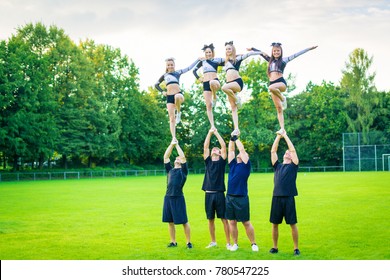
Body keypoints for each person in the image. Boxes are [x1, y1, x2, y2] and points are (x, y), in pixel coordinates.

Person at [248, 43, 318, 134]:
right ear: (272, 52)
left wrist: (309, 48)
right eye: (274, 51)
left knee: (270, 88)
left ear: (281, 52)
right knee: (279, 108)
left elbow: (297, 54)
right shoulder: (270, 60)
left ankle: (283, 98)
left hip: (281, 83)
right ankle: (282, 129)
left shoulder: (284, 60)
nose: (276, 52)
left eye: (278, 51)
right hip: (273, 85)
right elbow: (262, 53)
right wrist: (253, 48)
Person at [226, 131, 258, 252]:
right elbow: (231, 151)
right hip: (229, 197)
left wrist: (236, 139)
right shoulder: (233, 164)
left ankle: (253, 244)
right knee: (232, 222)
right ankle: (235, 244)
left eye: (243, 154)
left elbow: (242, 150)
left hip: (241, 197)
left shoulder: (246, 166)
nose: (240, 154)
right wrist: (231, 139)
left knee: (246, 222)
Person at [155, 57, 201, 142]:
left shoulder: (178, 72)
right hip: (169, 97)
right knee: (172, 119)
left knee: (177, 97)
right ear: (166, 66)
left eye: (172, 64)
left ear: (174, 65)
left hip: (178, 94)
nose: (170, 66)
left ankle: (179, 112)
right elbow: (156, 85)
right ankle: (173, 138)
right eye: (168, 65)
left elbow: (189, 68)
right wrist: (162, 91)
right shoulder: (165, 75)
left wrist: (198, 59)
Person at [269, 130, 300, 256]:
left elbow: (292, 150)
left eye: (289, 153)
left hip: (288, 198)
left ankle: (296, 248)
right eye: (286, 152)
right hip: (276, 198)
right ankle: (275, 247)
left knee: (292, 224)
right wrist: (278, 136)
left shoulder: (294, 166)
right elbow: (273, 151)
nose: (288, 153)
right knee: (275, 224)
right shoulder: (277, 166)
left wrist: (285, 136)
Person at [222, 41, 261, 136]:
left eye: (229, 48)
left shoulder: (237, 58)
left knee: (223, 88)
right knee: (233, 108)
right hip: (229, 84)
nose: (228, 50)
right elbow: (211, 60)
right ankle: (236, 129)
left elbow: (252, 54)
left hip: (237, 82)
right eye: (226, 49)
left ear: (233, 49)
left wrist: (253, 48)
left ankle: (237, 99)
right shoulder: (225, 62)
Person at [202, 127, 231, 249]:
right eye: (213, 149)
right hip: (208, 194)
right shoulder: (208, 161)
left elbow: (224, 146)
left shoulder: (221, 162)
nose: (214, 149)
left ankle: (228, 243)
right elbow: (206, 147)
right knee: (210, 219)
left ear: (219, 153)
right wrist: (209, 133)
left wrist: (216, 132)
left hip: (219, 194)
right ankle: (213, 241)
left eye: (216, 149)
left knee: (224, 219)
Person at [162, 140, 192, 249]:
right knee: (170, 222)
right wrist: (171, 144)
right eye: (176, 158)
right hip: (168, 198)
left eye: (178, 158)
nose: (177, 158)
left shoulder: (183, 171)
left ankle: (188, 242)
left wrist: (177, 144)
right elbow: (166, 157)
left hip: (178, 198)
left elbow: (183, 157)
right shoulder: (170, 170)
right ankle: (173, 242)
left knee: (184, 221)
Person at [193, 43, 225, 129]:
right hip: (205, 84)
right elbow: (194, 71)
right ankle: (213, 126)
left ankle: (214, 96)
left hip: (215, 82)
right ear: (204, 53)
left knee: (212, 83)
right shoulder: (202, 61)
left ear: (212, 52)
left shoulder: (216, 60)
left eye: (209, 52)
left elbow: (228, 61)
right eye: (206, 52)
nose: (208, 54)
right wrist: (199, 78)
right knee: (208, 105)